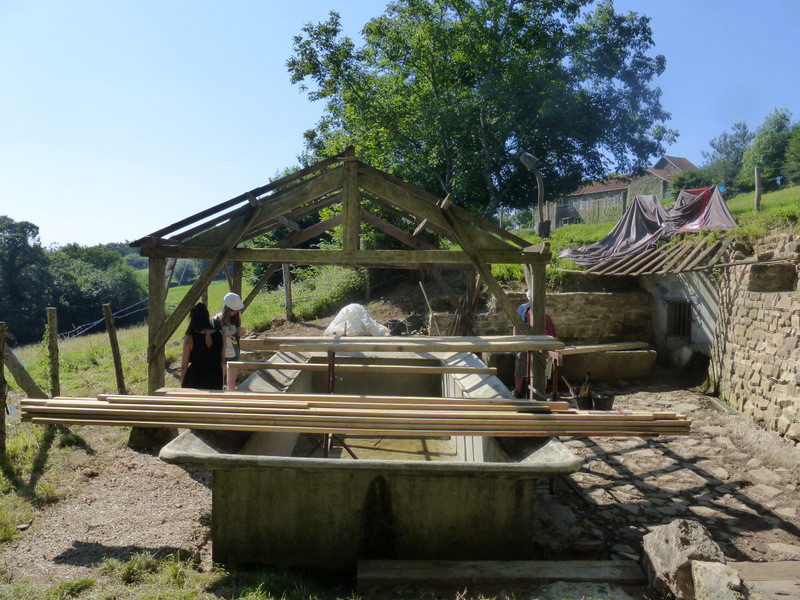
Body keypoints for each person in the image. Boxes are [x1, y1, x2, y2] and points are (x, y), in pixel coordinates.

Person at [512, 291, 557, 398]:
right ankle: (519, 391)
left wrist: (550, 347)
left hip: (540, 345)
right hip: (525, 343)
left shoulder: (543, 312)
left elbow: (552, 333)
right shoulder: (523, 309)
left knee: (541, 371)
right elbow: (516, 326)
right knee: (522, 364)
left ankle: (539, 393)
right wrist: (516, 342)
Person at [181, 302, 224, 389]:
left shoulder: (190, 338)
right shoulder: (220, 335)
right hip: (215, 377)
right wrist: (221, 382)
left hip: (195, 379)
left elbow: (183, 366)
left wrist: (182, 382)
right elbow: (222, 362)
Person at [213, 292, 245, 390]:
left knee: (231, 383)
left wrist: (240, 334)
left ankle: (232, 400)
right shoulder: (216, 320)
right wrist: (225, 336)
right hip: (220, 354)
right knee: (218, 382)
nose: (236, 312)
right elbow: (212, 337)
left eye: (237, 310)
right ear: (227, 308)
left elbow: (236, 336)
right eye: (233, 310)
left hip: (233, 354)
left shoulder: (236, 319)